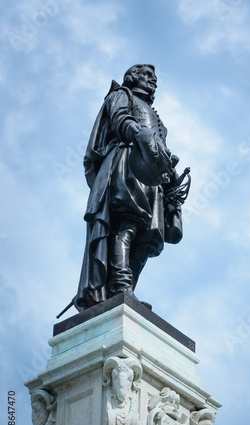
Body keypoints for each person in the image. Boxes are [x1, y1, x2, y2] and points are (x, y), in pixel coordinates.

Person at [74, 64, 190, 310]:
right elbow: (120, 119)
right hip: (127, 163)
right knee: (128, 224)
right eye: (147, 75)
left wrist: (170, 180)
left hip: (152, 174)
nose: (153, 80)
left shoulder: (157, 117)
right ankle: (121, 287)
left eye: (155, 77)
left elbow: (162, 151)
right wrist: (140, 136)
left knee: (148, 236)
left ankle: (126, 291)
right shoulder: (121, 95)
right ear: (131, 77)